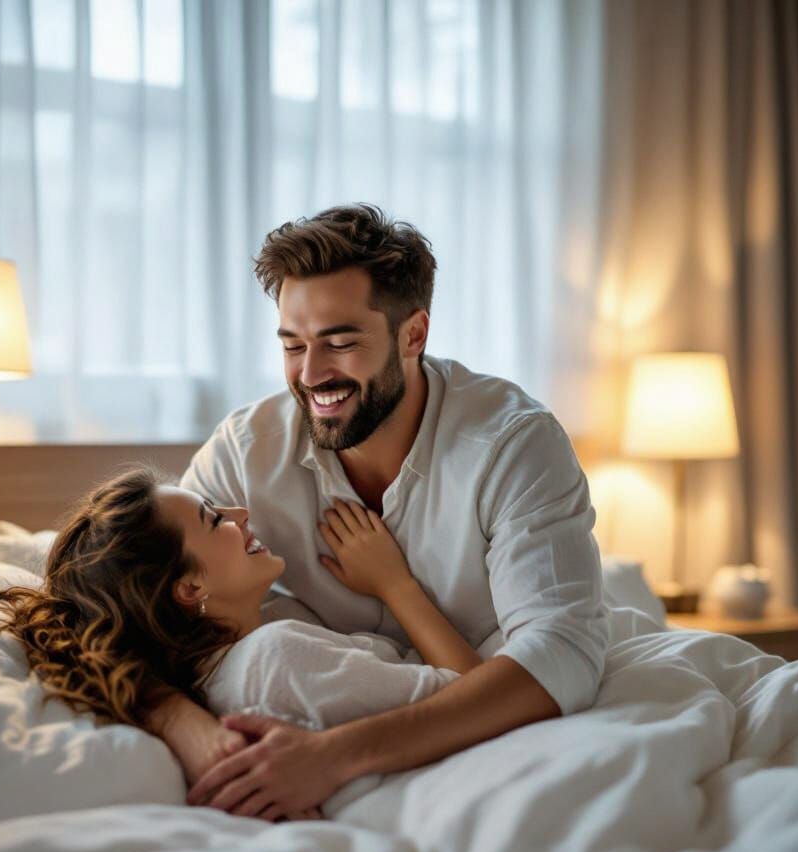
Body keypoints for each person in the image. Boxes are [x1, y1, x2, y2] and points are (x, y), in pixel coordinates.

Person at [172, 203, 610, 819]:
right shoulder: (246, 451)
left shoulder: (513, 443)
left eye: (340, 343)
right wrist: (191, 734)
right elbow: (120, 610)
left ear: (414, 335)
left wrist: (333, 756)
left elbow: (562, 654)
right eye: (293, 345)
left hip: (477, 743)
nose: (311, 374)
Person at [0, 465, 483, 819]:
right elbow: (476, 698)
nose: (240, 512)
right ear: (190, 588)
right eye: (214, 519)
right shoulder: (276, 657)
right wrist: (397, 585)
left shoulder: (227, 669)